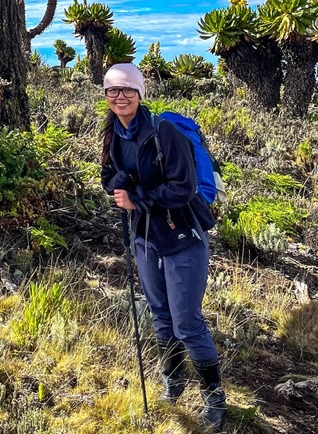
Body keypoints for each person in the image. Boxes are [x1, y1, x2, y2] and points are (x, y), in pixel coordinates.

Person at [100, 63, 227, 432]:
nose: (120, 97)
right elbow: (108, 176)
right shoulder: (112, 132)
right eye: (113, 91)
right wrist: (121, 184)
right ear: (106, 96)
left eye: (127, 90)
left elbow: (183, 188)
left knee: (187, 322)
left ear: (140, 94)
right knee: (160, 313)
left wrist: (137, 198)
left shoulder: (164, 131)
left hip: (182, 235)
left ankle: (214, 398)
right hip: (144, 237)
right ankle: (174, 382)